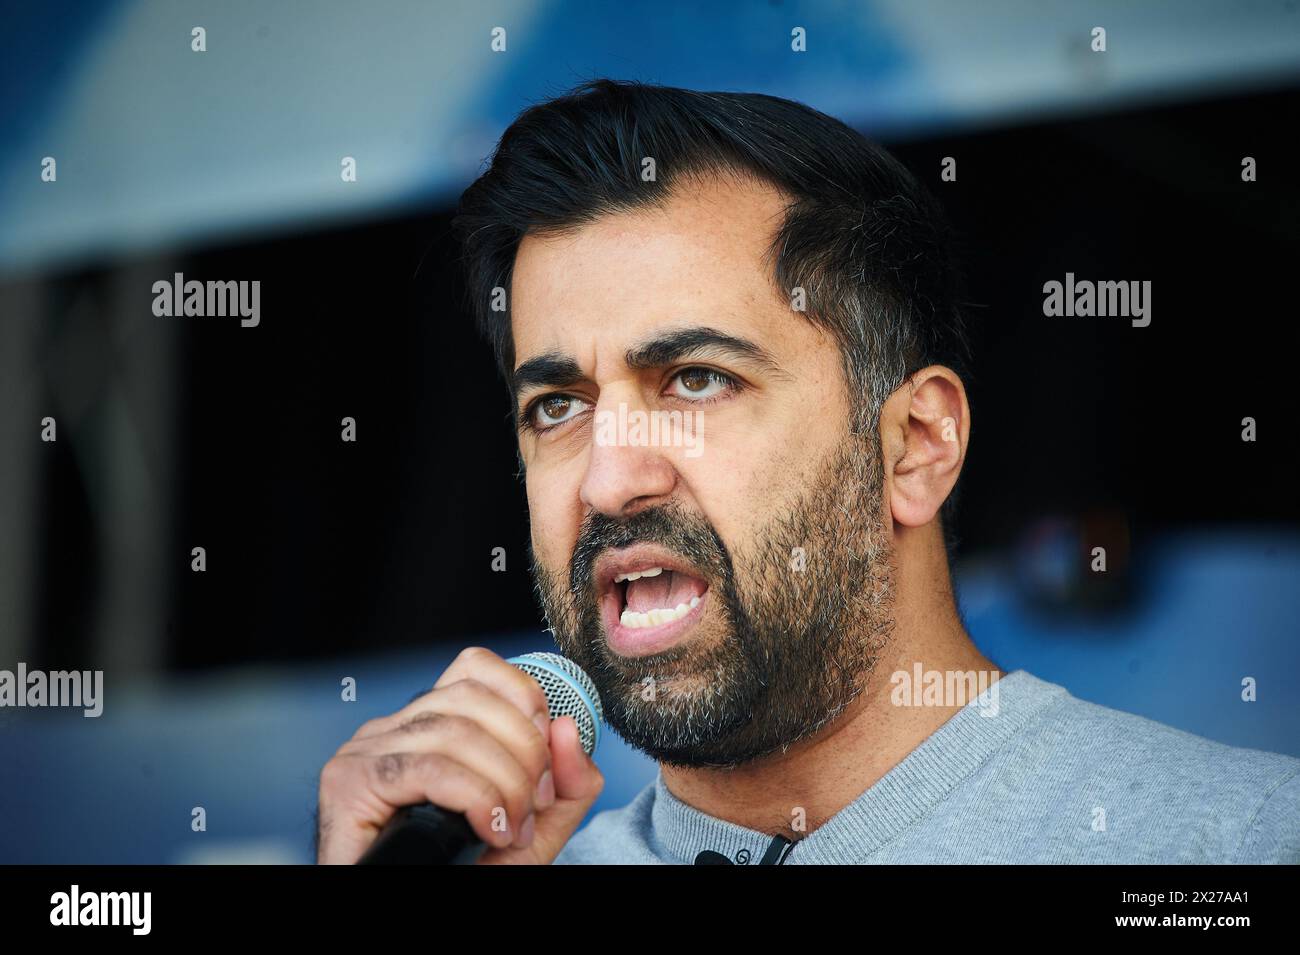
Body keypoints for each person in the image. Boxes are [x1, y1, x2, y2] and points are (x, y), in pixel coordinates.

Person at [315, 80, 1299, 865]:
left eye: (696, 379)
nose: (609, 482)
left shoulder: (1230, 844)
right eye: (558, 406)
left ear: (915, 444)